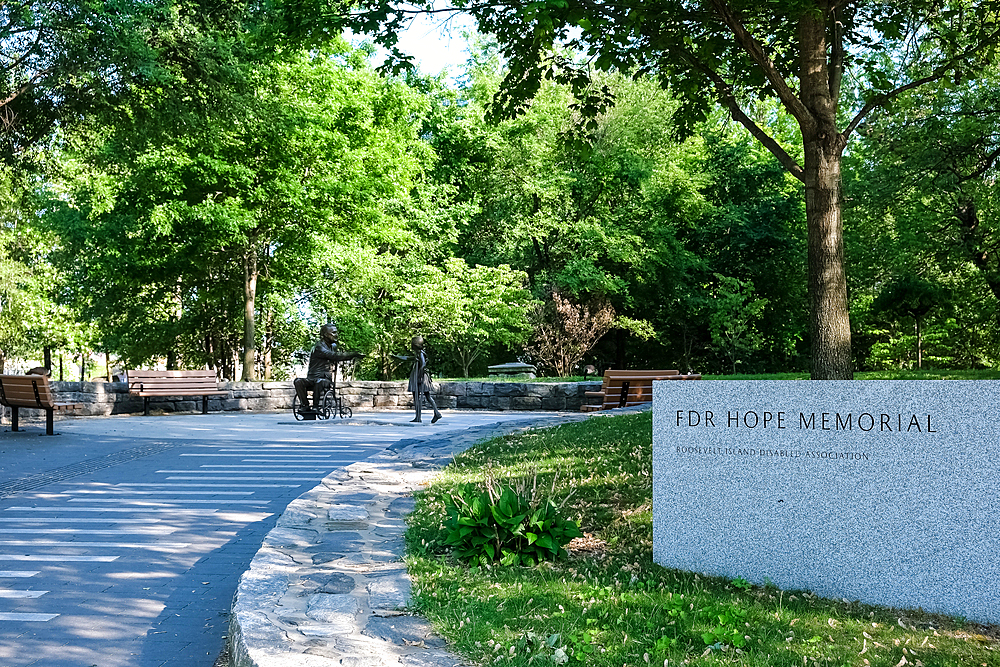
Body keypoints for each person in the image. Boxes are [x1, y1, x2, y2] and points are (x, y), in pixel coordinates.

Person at [294, 323, 363, 412]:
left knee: (319, 381)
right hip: (312, 378)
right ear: (325, 335)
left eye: (336, 332)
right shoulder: (319, 347)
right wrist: (353, 354)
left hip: (324, 379)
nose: (336, 335)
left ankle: (316, 407)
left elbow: (335, 356)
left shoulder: (333, 346)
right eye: (333, 333)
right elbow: (333, 356)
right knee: (298, 381)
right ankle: (305, 406)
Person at [394, 335, 442, 423]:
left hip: (420, 377)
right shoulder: (419, 353)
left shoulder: (420, 353)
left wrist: (419, 375)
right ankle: (436, 413)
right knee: (427, 396)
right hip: (421, 376)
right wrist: (397, 357)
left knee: (417, 397)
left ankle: (418, 417)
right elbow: (408, 358)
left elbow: (423, 364)